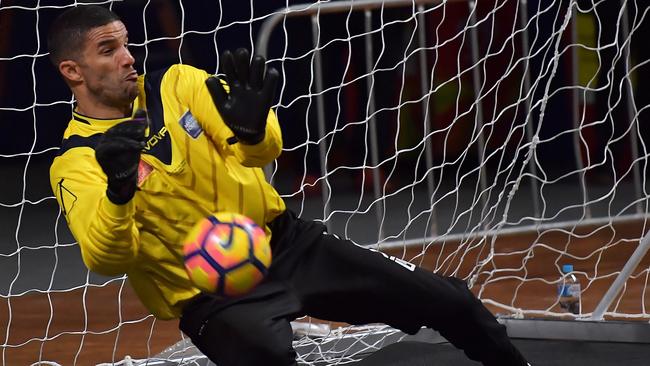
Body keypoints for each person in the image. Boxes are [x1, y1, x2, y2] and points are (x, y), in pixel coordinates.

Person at [47, 5, 530, 366]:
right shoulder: (77, 161)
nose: (128, 58)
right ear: (72, 71)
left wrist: (257, 129)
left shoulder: (177, 84)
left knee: (452, 301)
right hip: (210, 293)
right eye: (108, 51)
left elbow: (257, 151)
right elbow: (105, 258)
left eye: (126, 44)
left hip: (288, 243)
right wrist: (119, 191)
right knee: (271, 360)